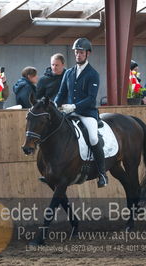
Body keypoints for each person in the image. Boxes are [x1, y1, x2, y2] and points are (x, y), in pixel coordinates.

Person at [54, 38, 107, 188]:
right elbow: (61, 93)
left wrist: (74, 107)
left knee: (93, 137)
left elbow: (91, 99)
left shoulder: (93, 74)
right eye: (76, 52)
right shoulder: (68, 73)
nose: (78, 55)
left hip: (87, 113)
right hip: (69, 112)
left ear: (87, 54)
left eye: (81, 52)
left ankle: (102, 173)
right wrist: (53, 105)